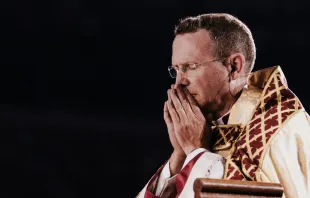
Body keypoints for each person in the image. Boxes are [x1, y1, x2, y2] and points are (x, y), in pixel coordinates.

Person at [136, 13, 310, 198]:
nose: (179, 83)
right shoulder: (205, 126)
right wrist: (179, 156)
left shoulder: (279, 127)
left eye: (191, 66)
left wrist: (196, 152)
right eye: (176, 69)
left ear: (234, 67)